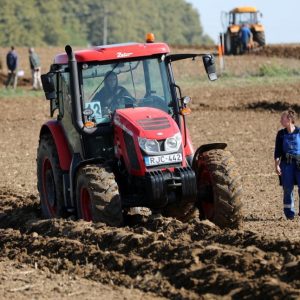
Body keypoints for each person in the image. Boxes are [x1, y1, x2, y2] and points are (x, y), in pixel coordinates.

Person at [274, 109, 300, 220]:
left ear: (289, 119)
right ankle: (289, 214)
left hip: (299, 164)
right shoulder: (281, 134)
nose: (280, 120)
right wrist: (277, 165)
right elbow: (277, 152)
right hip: (287, 165)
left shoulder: (299, 132)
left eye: (282, 118)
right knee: (288, 189)